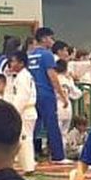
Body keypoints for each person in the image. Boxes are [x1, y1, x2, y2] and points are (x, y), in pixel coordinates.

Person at [27, 27, 67, 163]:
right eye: (51, 38)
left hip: (32, 94)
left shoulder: (30, 55)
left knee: (33, 126)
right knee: (52, 125)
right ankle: (58, 156)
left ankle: (28, 155)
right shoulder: (47, 55)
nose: (52, 41)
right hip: (46, 94)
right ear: (44, 39)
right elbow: (52, 76)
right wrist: (62, 95)